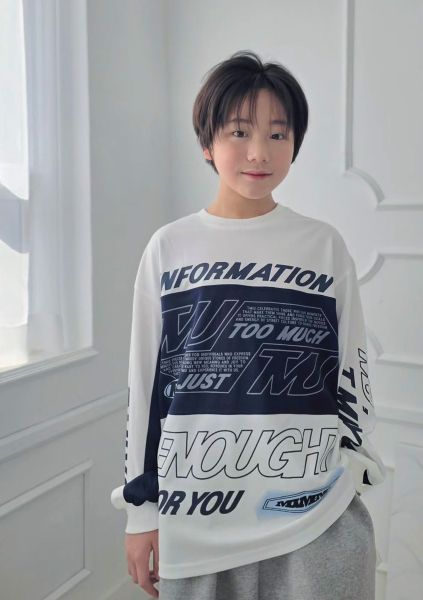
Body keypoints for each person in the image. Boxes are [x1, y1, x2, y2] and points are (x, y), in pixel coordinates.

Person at [110, 50, 387, 600]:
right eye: (239, 132)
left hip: (316, 518)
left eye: (278, 135)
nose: (260, 152)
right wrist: (141, 513)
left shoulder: (323, 245)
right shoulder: (169, 247)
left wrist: (353, 465)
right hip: (198, 523)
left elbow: (351, 371)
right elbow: (146, 388)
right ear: (207, 142)